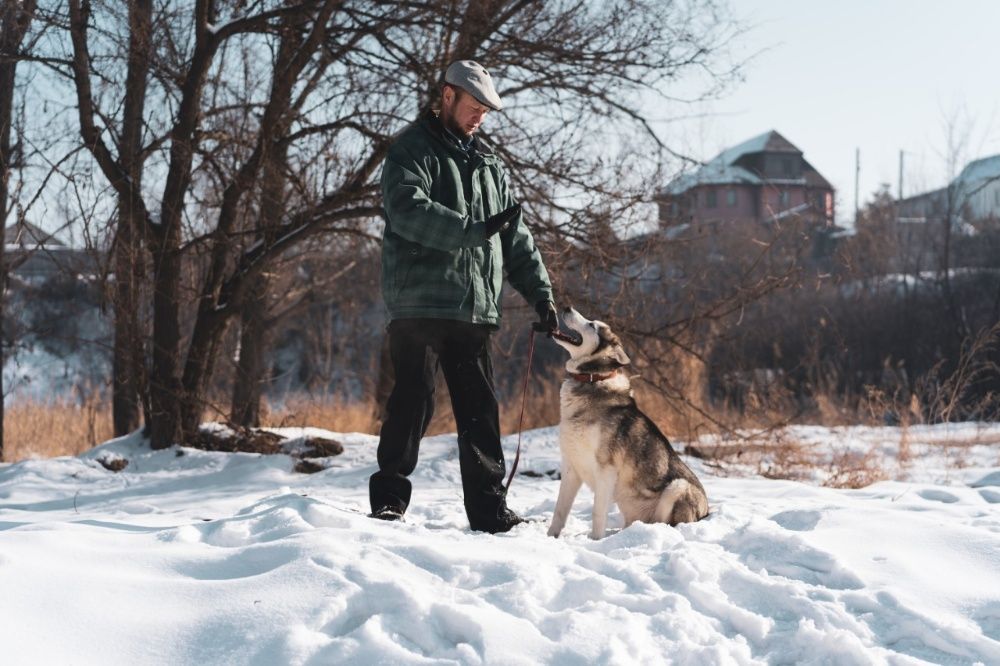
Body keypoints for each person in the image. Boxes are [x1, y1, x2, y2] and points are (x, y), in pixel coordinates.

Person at [370, 60, 558, 533]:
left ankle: (490, 513)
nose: (479, 118)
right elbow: (408, 211)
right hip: (419, 305)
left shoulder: (490, 167)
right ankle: (389, 500)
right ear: (448, 96)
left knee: (480, 411)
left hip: (473, 308)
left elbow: (516, 239)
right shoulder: (411, 151)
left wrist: (541, 295)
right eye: (473, 107)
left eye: (485, 112)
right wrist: (472, 230)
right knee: (412, 401)